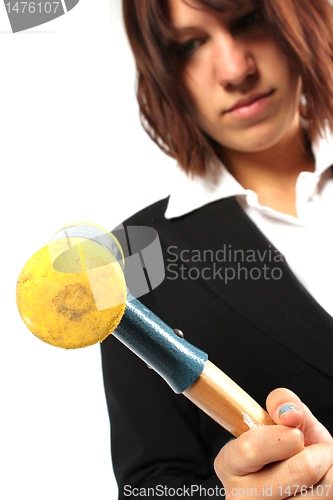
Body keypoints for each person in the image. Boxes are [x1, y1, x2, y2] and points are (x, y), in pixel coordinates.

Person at [101, 0, 333, 498]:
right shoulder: (129, 260)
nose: (235, 70)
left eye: (249, 20)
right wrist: (227, 497)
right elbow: (150, 489)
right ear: (162, 71)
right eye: (189, 45)